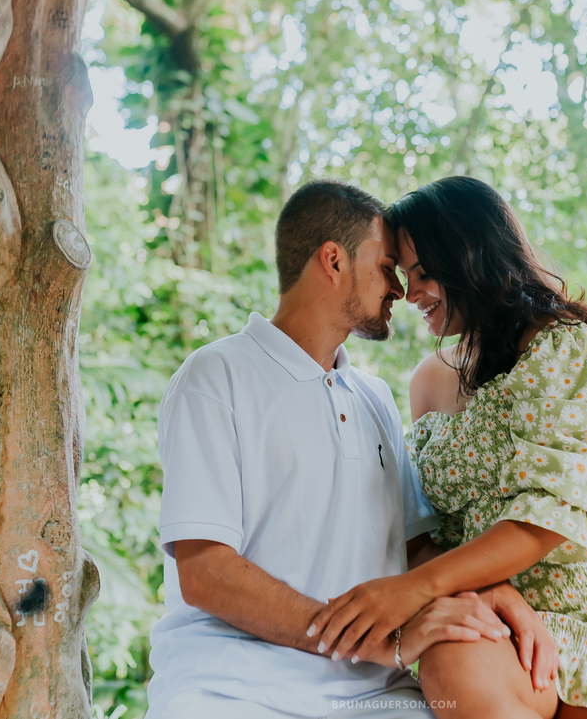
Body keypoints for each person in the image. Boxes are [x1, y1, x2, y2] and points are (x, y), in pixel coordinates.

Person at [308, 176, 587, 719]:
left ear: (470, 256)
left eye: (423, 273)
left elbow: (546, 518)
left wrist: (412, 590)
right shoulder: (428, 382)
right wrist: (471, 590)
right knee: (450, 663)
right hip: (506, 614)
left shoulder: (564, 347)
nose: (409, 294)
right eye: (403, 275)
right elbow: (431, 526)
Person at [145, 178, 557, 719]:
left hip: (380, 693)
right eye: (387, 267)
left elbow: (413, 547)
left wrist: (494, 590)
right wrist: (377, 641)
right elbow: (205, 572)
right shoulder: (215, 376)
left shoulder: (375, 397)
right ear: (333, 260)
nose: (400, 290)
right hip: (231, 685)